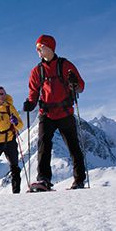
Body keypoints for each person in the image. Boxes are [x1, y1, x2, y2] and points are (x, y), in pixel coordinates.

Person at [22, 35, 87, 191]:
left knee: (73, 147)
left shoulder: (65, 65)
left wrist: (74, 83)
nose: (38, 50)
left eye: (40, 47)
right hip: (46, 113)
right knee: (43, 145)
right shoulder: (37, 71)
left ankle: (79, 180)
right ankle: (43, 180)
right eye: (37, 48)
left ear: (50, 47)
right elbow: (33, 90)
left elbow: (81, 87)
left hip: (65, 112)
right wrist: (31, 103)